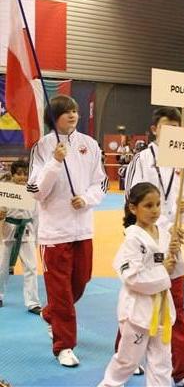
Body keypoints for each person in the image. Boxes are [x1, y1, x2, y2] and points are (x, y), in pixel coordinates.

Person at [123, 107, 184, 386]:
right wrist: (158, 225)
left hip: (173, 243)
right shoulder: (142, 159)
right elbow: (133, 199)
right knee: (140, 306)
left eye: (177, 126)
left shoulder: (183, 160)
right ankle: (129, 357)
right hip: (147, 242)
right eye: (167, 126)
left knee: (177, 307)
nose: (173, 131)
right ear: (154, 130)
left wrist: (181, 216)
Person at [27, 95, 108, 367]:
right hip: (54, 233)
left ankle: (51, 313)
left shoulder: (90, 145)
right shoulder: (43, 147)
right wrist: (55, 162)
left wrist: (86, 199)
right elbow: (36, 191)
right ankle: (64, 346)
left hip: (83, 229)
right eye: (66, 112)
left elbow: (101, 184)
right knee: (60, 292)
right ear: (54, 117)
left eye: (75, 110)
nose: (73, 115)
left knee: (80, 282)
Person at [98, 183, 180, 387]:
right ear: (133, 208)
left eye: (158, 204)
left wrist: (175, 252)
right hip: (137, 310)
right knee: (128, 361)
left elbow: (173, 270)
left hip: (161, 308)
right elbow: (132, 278)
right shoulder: (132, 240)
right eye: (148, 205)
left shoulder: (164, 233)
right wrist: (164, 271)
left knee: (162, 362)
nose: (155, 210)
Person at [0, 160, 41, 313]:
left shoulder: (34, 192)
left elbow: (37, 217)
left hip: (27, 231)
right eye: (19, 174)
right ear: (12, 175)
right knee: (1, 268)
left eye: (25, 174)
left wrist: (37, 239)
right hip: (7, 232)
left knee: (31, 267)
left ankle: (32, 302)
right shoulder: (5, 190)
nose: (22, 178)